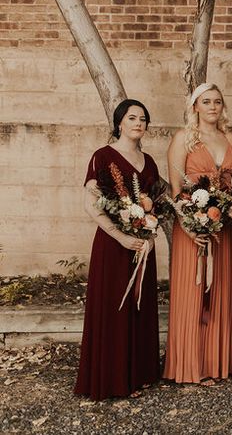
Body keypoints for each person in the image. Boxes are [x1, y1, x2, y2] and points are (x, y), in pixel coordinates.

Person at [75, 99, 161, 400]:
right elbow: (91, 203)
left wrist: (149, 235)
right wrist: (119, 236)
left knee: (139, 306)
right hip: (113, 246)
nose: (138, 123)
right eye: (132, 118)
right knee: (114, 306)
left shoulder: (149, 162)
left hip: (142, 246)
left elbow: (155, 203)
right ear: (119, 123)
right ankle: (111, 378)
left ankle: (137, 374)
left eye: (143, 119)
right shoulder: (103, 156)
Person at [163, 83, 232, 384]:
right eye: (206, 101)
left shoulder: (231, 139)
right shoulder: (183, 139)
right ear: (195, 106)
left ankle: (219, 363)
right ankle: (191, 365)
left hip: (225, 230)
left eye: (218, 102)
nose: (213, 107)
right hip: (193, 230)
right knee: (195, 292)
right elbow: (175, 191)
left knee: (222, 291)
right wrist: (190, 224)